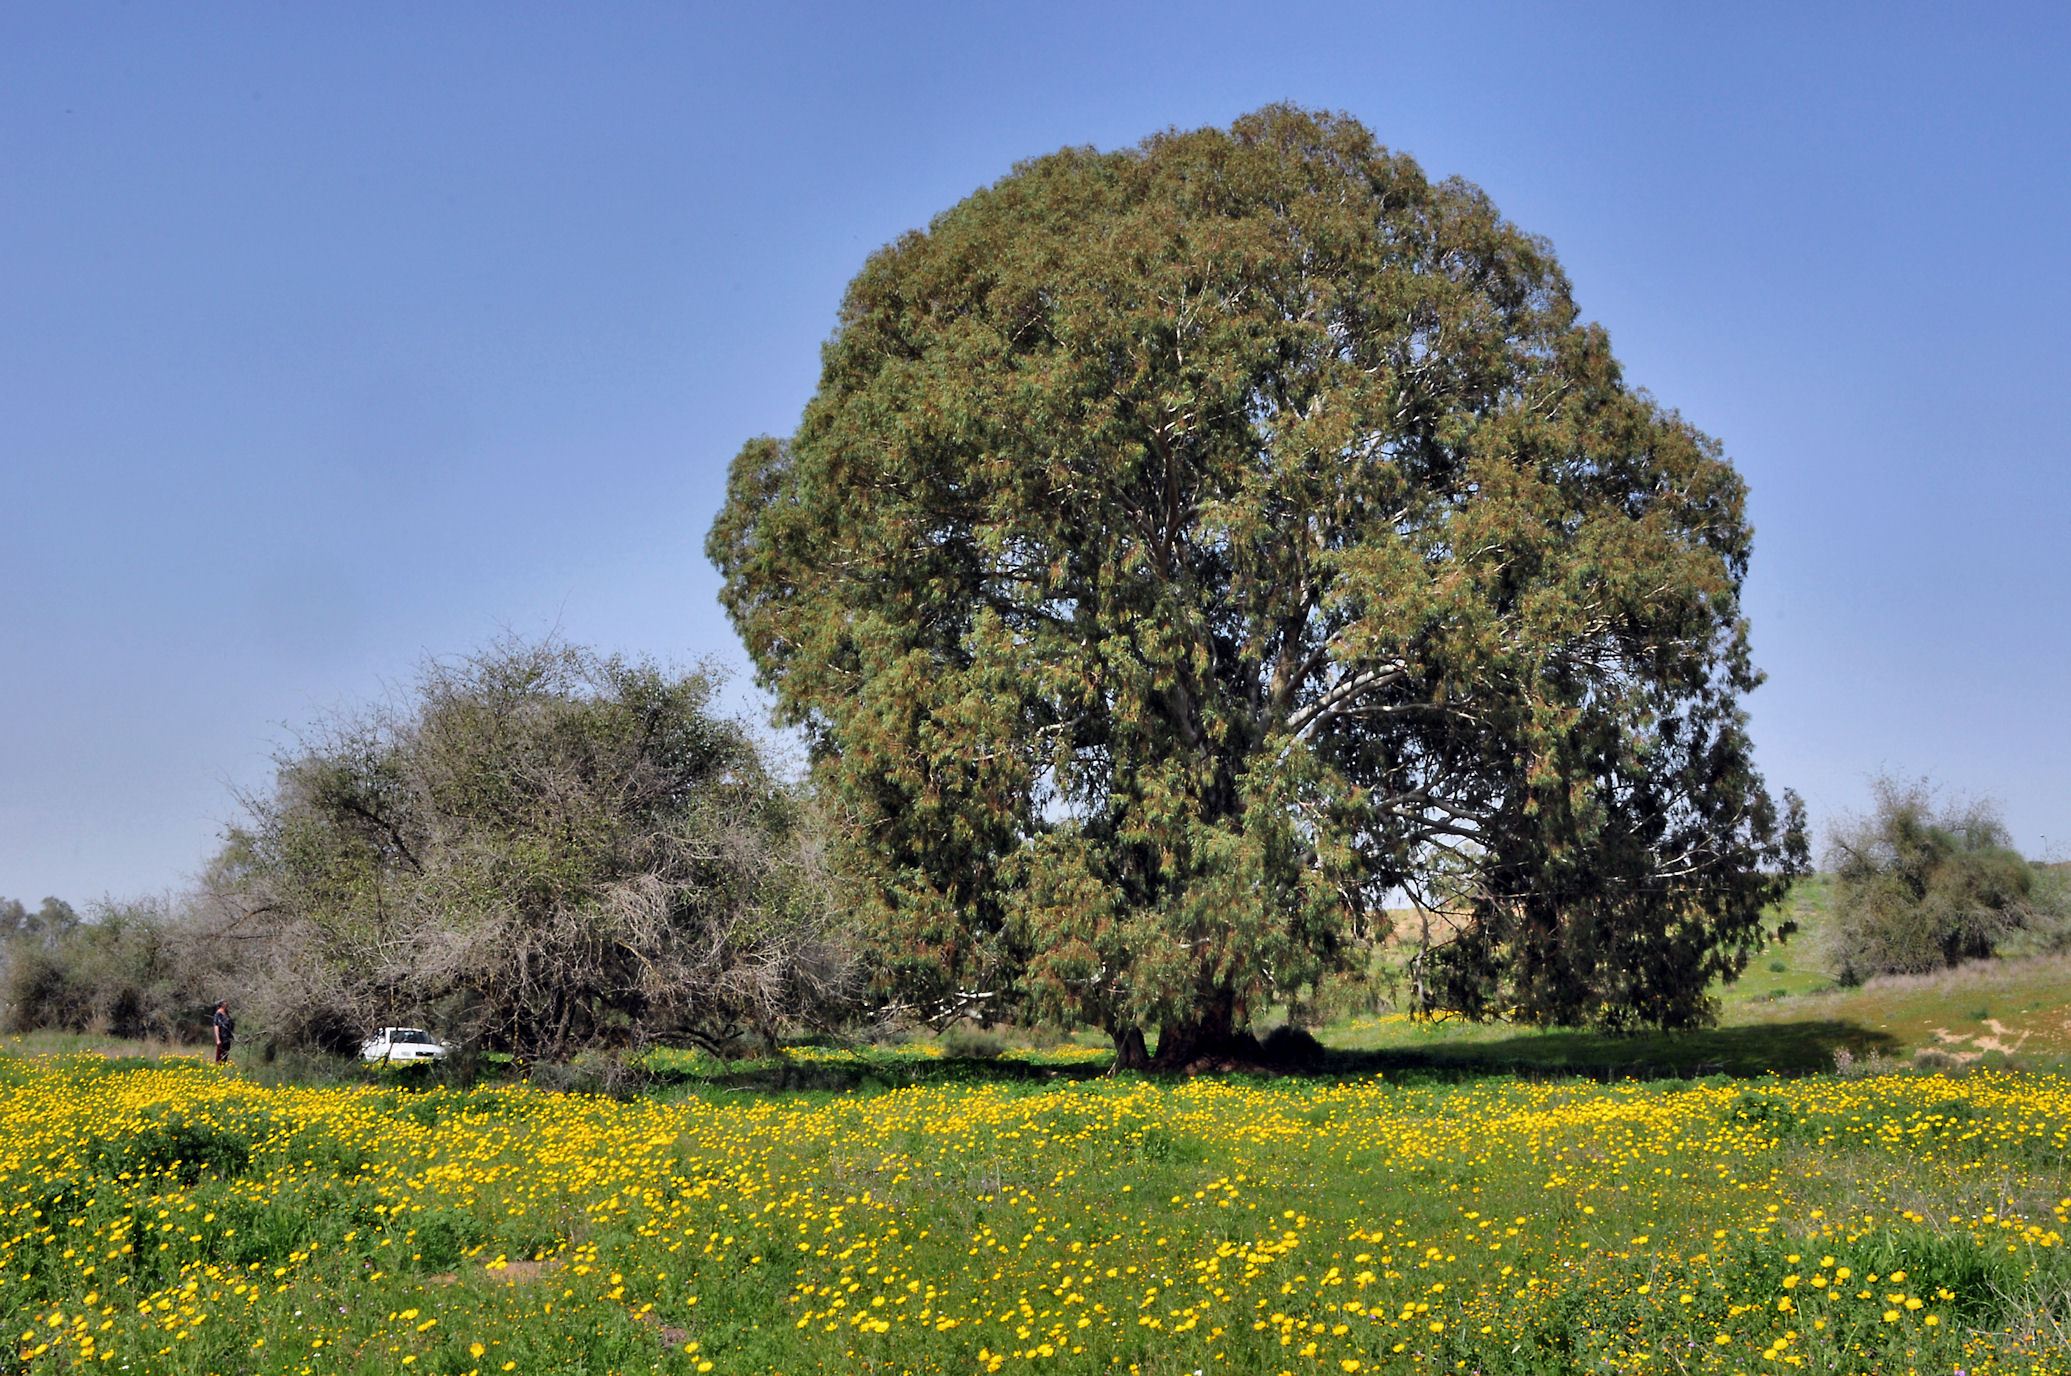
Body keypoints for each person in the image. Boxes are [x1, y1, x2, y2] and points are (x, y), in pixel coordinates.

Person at [211, 1000, 234, 1065]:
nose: (227, 1003)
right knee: (219, 1055)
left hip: (227, 1037)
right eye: (225, 1002)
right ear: (221, 1004)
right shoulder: (218, 1014)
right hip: (221, 1037)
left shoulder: (227, 1013)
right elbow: (216, 1026)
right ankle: (218, 1067)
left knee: (226, 1053)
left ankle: (223, 1067)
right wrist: (218, 1039)